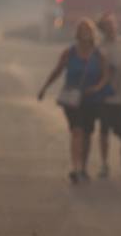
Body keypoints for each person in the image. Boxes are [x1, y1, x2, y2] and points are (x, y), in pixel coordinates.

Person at [38, 18, 111, 184]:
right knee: (76, 131)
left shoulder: (99, 54)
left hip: (91, 98)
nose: (85, 33)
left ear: (91, 33)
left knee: (87, 133)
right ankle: (75, 167)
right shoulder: (69, 53)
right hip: (72, 99)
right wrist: (44, 88)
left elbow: (106, 75)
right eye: (82, 30)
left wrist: (97, 88)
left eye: (87, 30)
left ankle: (83, 166)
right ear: (78, 34)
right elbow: (57, 71)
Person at [95, 12, 121, 178]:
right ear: (103, 29)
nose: (111, 27)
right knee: (103, 130)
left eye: (113, 24)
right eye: (107, 25)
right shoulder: (100, 48)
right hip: (105, 95)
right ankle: (104, 164)